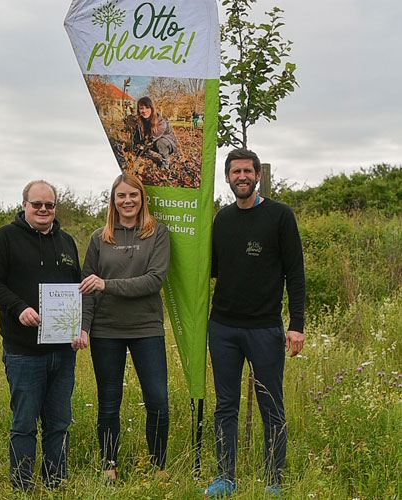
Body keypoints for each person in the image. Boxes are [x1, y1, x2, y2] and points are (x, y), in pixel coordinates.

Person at [203, 148, 306, 498]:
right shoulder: (221, 219)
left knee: (271, 406)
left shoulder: (280, 215)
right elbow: (213, 269)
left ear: (258, 174)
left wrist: (297, 324)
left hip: (265, 328)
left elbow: (295, 272)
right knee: (225, 405)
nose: (242, 176)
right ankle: (225, 478)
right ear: (228, 177)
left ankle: (273, 481)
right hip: (223, 328)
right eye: (235, 171)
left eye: (248, 170)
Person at [0, 180, 86, 491]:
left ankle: (55, 482)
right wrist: (18, 308)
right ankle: (22, 486)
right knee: (24, 424)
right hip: (23, 351)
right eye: (37, 204)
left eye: (49, 205)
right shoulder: (5, 237)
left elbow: (76, 288)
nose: (43, 209)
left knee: (59, 423)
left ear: (55, 207)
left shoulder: (66, 241)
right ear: (24, 204)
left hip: (63, 352)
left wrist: (79, 327)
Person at [76, 173, 170, 481]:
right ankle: (109, 465)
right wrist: (85, 328)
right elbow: (88, 288)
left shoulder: (157, 233)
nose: (127, 201)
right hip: (106, 331)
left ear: (142, 198)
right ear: (113, 201)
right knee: (108, 401)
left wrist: (108, 284)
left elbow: (154, 280)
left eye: (133, 195)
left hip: (146, 328)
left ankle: (158, 466)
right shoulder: (99, 238)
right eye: (121, 196)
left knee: (157, 399)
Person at [133, 96, 178, 168]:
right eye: (141, 108)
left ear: (152, 108)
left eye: (147, 108)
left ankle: (165, 161)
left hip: (167, 143)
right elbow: (138, 139)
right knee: (141, 150)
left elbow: (152, 138)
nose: (144, 111)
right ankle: (150, 158)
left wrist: (143, 147)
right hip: (151, 143)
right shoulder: (139, 122)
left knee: (160, 142)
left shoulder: (161, 122)